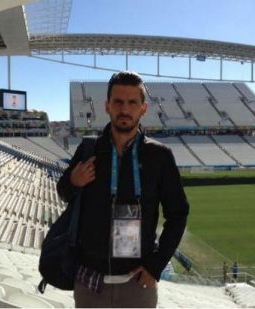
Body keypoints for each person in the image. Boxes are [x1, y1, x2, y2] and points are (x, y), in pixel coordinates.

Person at [57, 71, 189, 308]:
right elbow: (64, 193)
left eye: (132, 103)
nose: (125, 109)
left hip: (137, 285)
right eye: (118, 102)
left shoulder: (159, 156)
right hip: (89, 284)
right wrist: (73, 182)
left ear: (143, 108)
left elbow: (178, 214)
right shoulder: (89, 150)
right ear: (107, 106)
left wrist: (156, 265)